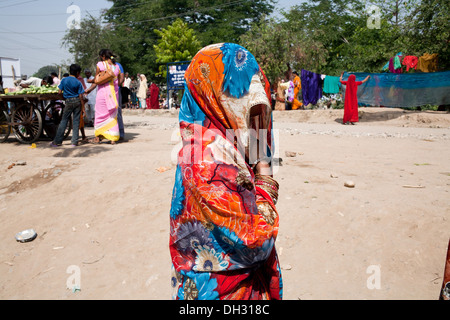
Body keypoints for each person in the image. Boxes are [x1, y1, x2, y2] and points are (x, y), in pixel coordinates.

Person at [170, 43, 282, 300]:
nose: (252, 121)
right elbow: (257, 244)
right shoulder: (209, 161)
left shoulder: (216, 143)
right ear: (212, 98)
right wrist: (264, 173)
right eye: (239, 101)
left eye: (258, 111)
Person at [87, 49, 121, 144]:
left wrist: (89, 82)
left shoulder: (100, 64)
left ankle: (97, 138)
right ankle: (112, 138)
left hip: (103, 93)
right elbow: (117, 81)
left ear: (103, 56)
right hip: (114, 94)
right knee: (112, 116)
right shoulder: (117, 67)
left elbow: (96, 79)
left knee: (99, 114)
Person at [50, 64, 84, 147]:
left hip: (68, 101)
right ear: (77, 73)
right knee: (76, 121)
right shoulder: (78, 82)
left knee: (64, 120)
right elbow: (81, 96)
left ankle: (57, 141)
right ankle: (74, 142)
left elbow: (59, 92)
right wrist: (83, 107)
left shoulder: (64, 80)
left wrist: (64, 97)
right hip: (77, 101)